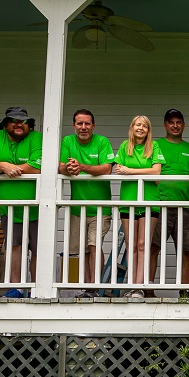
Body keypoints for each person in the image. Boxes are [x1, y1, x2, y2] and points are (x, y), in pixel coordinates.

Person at [0, 106, 42, 295]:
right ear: (5, 124)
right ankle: (17, 288)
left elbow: (38, 165)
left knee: (38, 249)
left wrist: (11, 169)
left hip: (38, 207)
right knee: (15, 247)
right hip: (9, 208)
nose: (18, 124)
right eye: (14, 121)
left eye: (23, 121)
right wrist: (2, 165)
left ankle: (36, 289)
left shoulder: (36, 138)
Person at [58, 109, 113, 296]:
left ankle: (94, 287)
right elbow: (60, 167)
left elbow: (107, 168)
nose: (83, 127)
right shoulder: (67, 141)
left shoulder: (102, 142)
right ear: (74, 125)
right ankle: (87, 288)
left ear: (93, 126)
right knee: (82, 250)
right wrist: (68, 167)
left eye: (87, 123)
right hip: (77, 208)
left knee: (94, 246)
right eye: (79, 123)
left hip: (100, 207)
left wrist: (81, 167)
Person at [113, 115, 164, 298]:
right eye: (137, 124)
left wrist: (131, 171)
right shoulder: (124, 147)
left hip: (149, 200)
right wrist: (134, 171)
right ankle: (132, 285)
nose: (140, 128)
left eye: (144, 126)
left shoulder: (154, 147)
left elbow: (156, 171)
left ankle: (140, 287)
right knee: (131, 244)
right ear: (132, 127)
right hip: (128, 200)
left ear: (148, 130)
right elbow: (118, 169)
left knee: (143, 244)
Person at [153, 109, 189, 293]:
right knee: (152, 247)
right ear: (165, 125)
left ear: (183, 125)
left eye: (178, 122)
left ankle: (185, 290)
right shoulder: (155, 146)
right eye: (171, 122)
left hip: (186, 207)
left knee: (187, 250)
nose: (175, 125)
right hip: (159, 205)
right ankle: (148, 288)